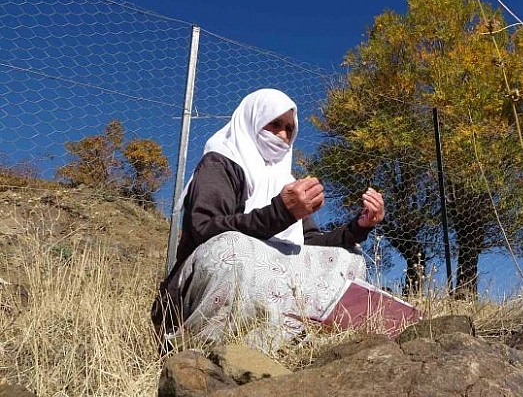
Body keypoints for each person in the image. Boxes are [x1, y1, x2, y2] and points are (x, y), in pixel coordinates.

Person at [152, 88, 385, 353]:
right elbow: (205, 229)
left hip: (270, 289)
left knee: (348, 258)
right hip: (192, 293)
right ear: (253, 119)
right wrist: (281, 213)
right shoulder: (220, 162)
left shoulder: (286, 181)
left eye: (289, 128)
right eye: (274, 124)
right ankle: (202, 350)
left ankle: (292, 341)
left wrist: (360, 226)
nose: (283, 135)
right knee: (233, 249)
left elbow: (308, 244)